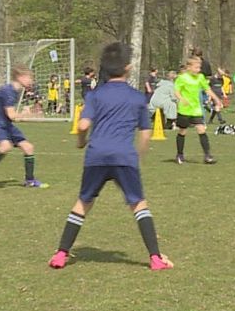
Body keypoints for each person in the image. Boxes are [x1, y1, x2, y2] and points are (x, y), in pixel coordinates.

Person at [49, 42, 172, 271]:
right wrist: (139, 157)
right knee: (138, 205)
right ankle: (155, 258)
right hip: (124, 157)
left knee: (83, 203)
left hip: (96, 156)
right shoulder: (137, 98)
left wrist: (80, 142)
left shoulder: (96, 95)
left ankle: (60, 254)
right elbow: (145, 134)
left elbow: (83, 124)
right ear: (128, 67)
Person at [0, 66, 48, 187]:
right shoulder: (8, 92)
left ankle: (30, 180)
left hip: (5, 123)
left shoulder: (14, 91)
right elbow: (12, 115)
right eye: (29, 78)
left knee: (28, 148)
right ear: (20, 77)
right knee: (5, 146)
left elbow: (10, 116)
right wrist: (29, 115)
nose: (31, 81)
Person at [175, 56, 223, 164]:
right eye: (196, 67)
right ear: (189, 67)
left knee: (202, 130)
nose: (198, 70)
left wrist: (216, 99)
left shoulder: (200, 77)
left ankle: (207, 156)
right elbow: (176, 92)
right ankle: (180, 154)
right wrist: (182, 99)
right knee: (182, 131)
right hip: (185, 110)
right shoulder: (182, 78)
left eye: (199, 67)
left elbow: (207, 89)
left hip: (196, 109)